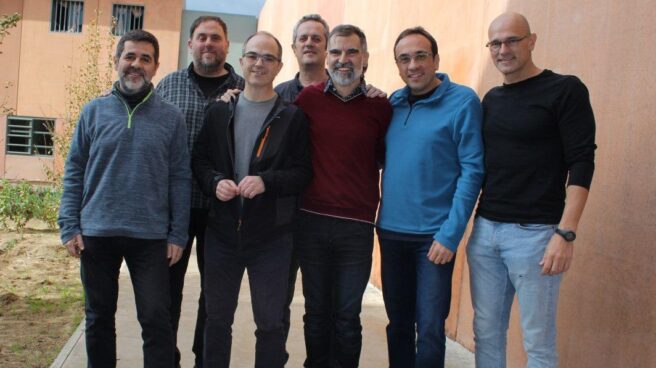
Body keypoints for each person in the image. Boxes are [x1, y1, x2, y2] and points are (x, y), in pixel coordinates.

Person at [467, 12, 596, 368]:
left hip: (537, 237)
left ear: (532, 41)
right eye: (495, 43)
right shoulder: (492, 99)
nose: (503, 49)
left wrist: (565, 233)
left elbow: (582, 163)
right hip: (486, 232)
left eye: (511, 40)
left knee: (537, 340)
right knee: (486, 333)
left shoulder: (565, 89)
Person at [58, 29, 191, 367]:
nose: (136, 64)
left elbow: (179, 177)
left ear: (156, 66)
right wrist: (69, 224)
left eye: (145, 59)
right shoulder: (93, 112)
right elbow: (74, 169)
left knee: (156, 320)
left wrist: (177, 233)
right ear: (117, 61)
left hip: (150, 237)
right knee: (99, 318)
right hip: (96, 233)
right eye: (130, 56)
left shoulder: (171, 118)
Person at [192, 31, 312, 368]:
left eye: (268, 58)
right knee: (216, 321)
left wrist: (266, 181)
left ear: (279, 66)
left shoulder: (291, 117)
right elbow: (199, 162)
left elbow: (303, 173)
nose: (259, 63)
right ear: (242, 61)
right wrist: (214, 182)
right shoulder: (219, 112)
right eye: (253, 56)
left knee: (271, 324)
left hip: (271, 239)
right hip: (221, 234)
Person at [377, 26, 484, 368]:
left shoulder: (463, 101)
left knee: (431, 329)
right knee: (398, 327)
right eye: (404, 59)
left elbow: (473, 171)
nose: (413, 65)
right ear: (397, 65)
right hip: (391, 233)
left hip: (433, 240)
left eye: (420, 56)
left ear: (436, 59)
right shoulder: (391, 104)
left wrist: (450, 235)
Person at [294, 24, 392, 368]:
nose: (343, 59)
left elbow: (384, 156)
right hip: (312, 222)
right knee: (316, 313)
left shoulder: (381, 107)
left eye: (351, 52)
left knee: (347, 317)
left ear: (365, 58)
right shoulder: (307, 100)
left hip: (357, 227)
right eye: (335, 52)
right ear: (326, 57)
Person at [155, 15, 244, 368]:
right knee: (165, 294)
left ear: (227, 45)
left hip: (223, 209)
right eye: (202, 37)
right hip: (173, 208)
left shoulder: (245, 87)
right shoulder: (168, 85)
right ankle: (167, 360)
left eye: (216, 38)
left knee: (215, 298)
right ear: (190, 43)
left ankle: (205, 360)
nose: (209, 43)